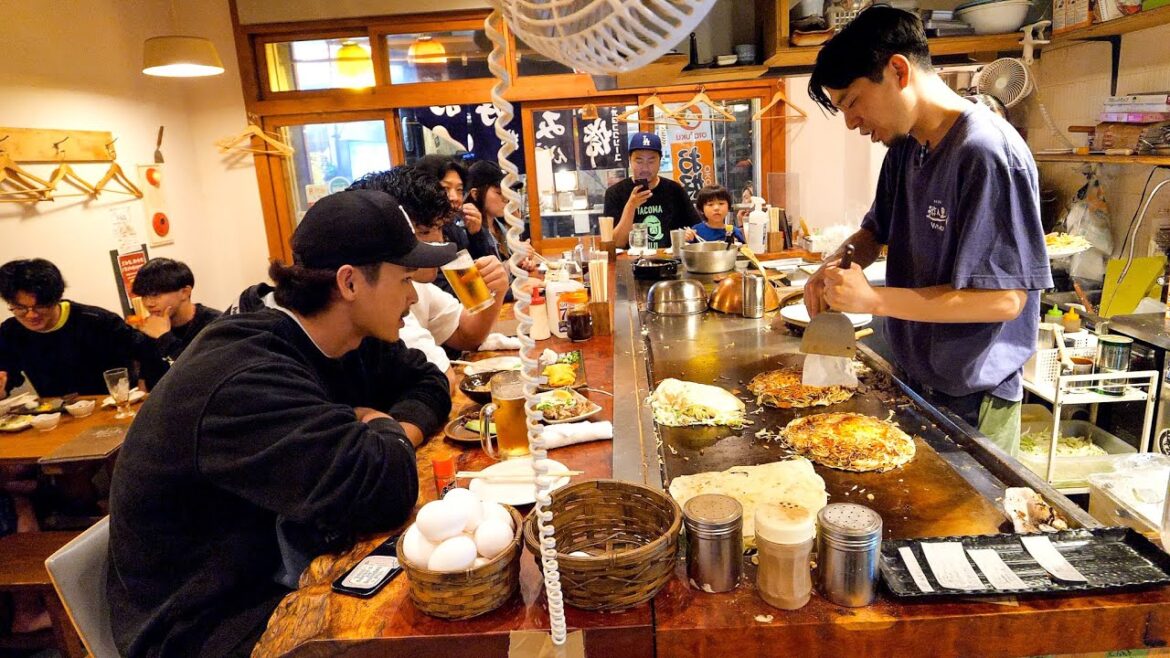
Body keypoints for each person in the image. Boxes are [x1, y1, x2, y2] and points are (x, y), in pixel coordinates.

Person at [107, 189, 456, 657]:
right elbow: (384, 490)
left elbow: (429, 381)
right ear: (349, 283)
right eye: (405, 279)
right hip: (209, 622)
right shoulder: (244, 376)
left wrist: (383, 426)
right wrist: (381, 438)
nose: (413, 297)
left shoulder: (347, 335)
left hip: (293, 565)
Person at [803, 6, 1052, 455]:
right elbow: (873, 232)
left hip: (974, 401)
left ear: (898, 70)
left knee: (967, 523)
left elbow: (1003, 299)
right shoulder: (906, 147)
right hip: (915, 379)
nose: (851, 122)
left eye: (852, 102)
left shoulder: (986, 152)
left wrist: (873, 300)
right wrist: (832, 267)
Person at [348, 166, 510, 388]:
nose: (439, 241)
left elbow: (468, 334)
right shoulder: (379, 293)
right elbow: (440, 379)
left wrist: (496, 290)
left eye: (440, 228)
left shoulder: (417, 286)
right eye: (424, 232)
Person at [0, 258, 168, 398]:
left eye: (40, 306)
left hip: (110, 408)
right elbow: (7, 375)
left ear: (56, 298)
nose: (31, 315)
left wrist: (144, 385)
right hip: (56, 417)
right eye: (20, 308)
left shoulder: (98, 321)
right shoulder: (10, 332)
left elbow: (147, 350)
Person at [603, 131, 701, 249]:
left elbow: (697, 230)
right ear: (630, 160)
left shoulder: (675, 190)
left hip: (669, 262)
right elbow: (616, 244)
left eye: (651, 161)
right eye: (639, 161)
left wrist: (689, 235)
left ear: (660, 160)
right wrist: (630, 206)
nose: (645, 168)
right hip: (630, 264)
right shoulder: (615, 193)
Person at [131, 257, 222, 362]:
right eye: (144, 296)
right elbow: (149, 375)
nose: (148, 303)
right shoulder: (152, 327)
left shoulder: (215, 325)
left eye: (155, 295)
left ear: (185, 292)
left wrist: (164, 337)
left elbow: (202, 371)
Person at [413, 154, 497, 260]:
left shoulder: (453, 231)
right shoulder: (411, 231)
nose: (455, 198)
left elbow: (476, 269)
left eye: (459, 190)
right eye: (445, 188)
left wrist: (475, 234)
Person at [465, 159, 537, 272]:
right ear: (475, 194)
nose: (506, 199)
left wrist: (523, 263)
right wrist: (515, 260)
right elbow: (484, 277)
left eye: (507, 192)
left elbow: (508, 263)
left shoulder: (500, 226)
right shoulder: (470, 233)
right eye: (499, 193)